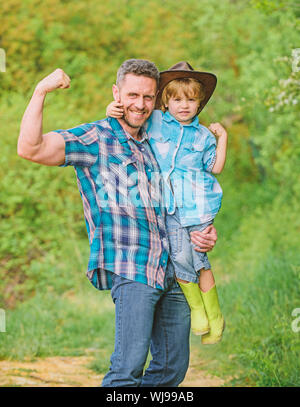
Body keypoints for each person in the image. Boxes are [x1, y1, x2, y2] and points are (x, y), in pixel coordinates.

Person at [17, 59, 217, 387]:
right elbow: (30, 147)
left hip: (177, 270)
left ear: (157, 100)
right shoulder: (96, 137)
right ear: (116, 94)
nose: (140, 104)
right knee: (127, 371)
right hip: (133, 265)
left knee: (172, 371)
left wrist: (205, 231)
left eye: (148, 97)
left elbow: (191, 196)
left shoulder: (161, 143)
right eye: (132, 95)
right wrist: (41, 91)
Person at [107, 61, 227, 344]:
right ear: (166, 101)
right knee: (181, 256)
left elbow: (216, 167)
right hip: (168, 206)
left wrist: (223, 137)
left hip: (199, 205)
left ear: (199, 103)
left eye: (191, 100)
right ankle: (198, 310)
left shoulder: (203, 136)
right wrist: (111, 111)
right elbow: (130, 117)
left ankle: (216, 315)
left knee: (201, 259)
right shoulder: (156, 121)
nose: (183, 106)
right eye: (177, 99)